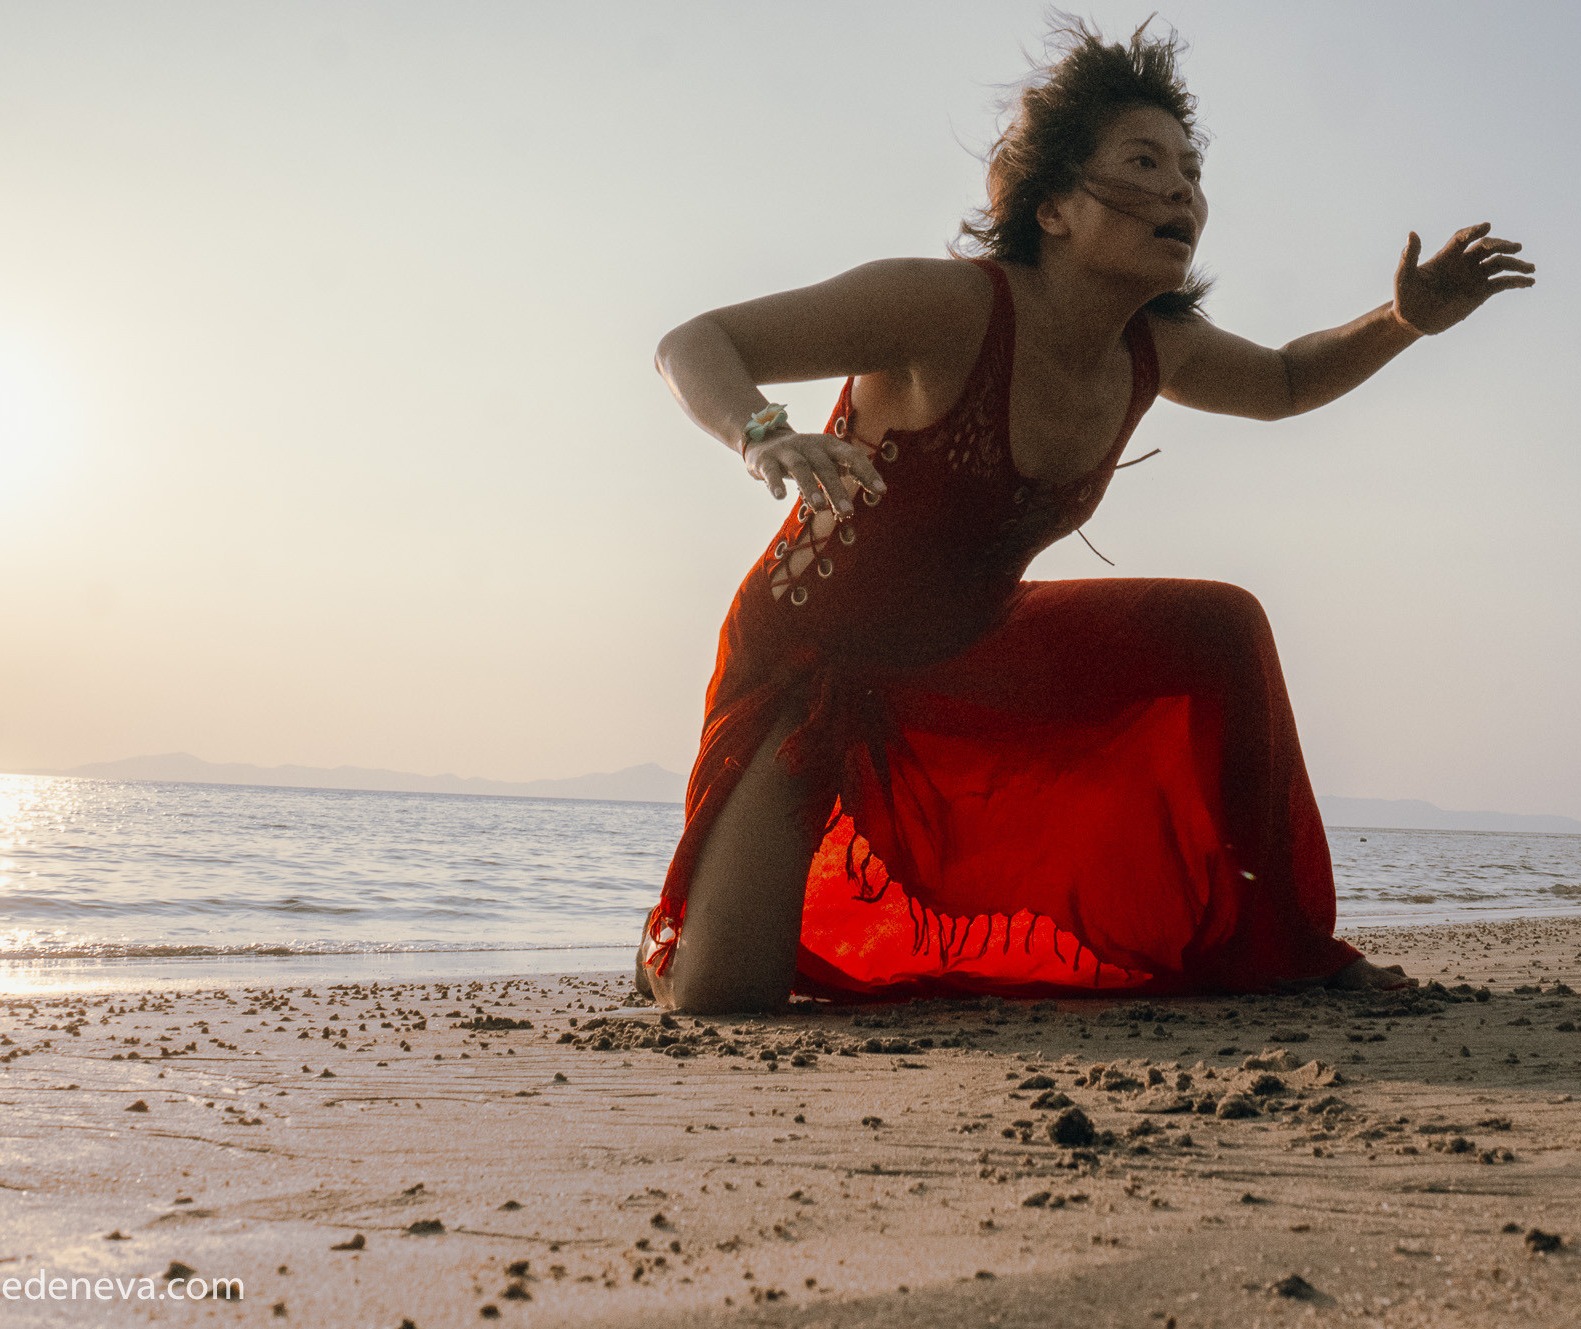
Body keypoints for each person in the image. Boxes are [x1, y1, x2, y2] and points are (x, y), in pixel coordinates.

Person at [640, 19, 1535, 1014]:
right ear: (1055, 205)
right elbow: (696, 340)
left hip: (970, 650)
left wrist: (1403, 318)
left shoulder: (1159, 345)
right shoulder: (944, 307)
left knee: (1218, 623)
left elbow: (1284, 380)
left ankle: (1275, 944)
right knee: (716, 998)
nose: (1179, 191)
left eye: (1190, 171)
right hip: (812, 665)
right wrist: (762, 432)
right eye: (1143, 163)